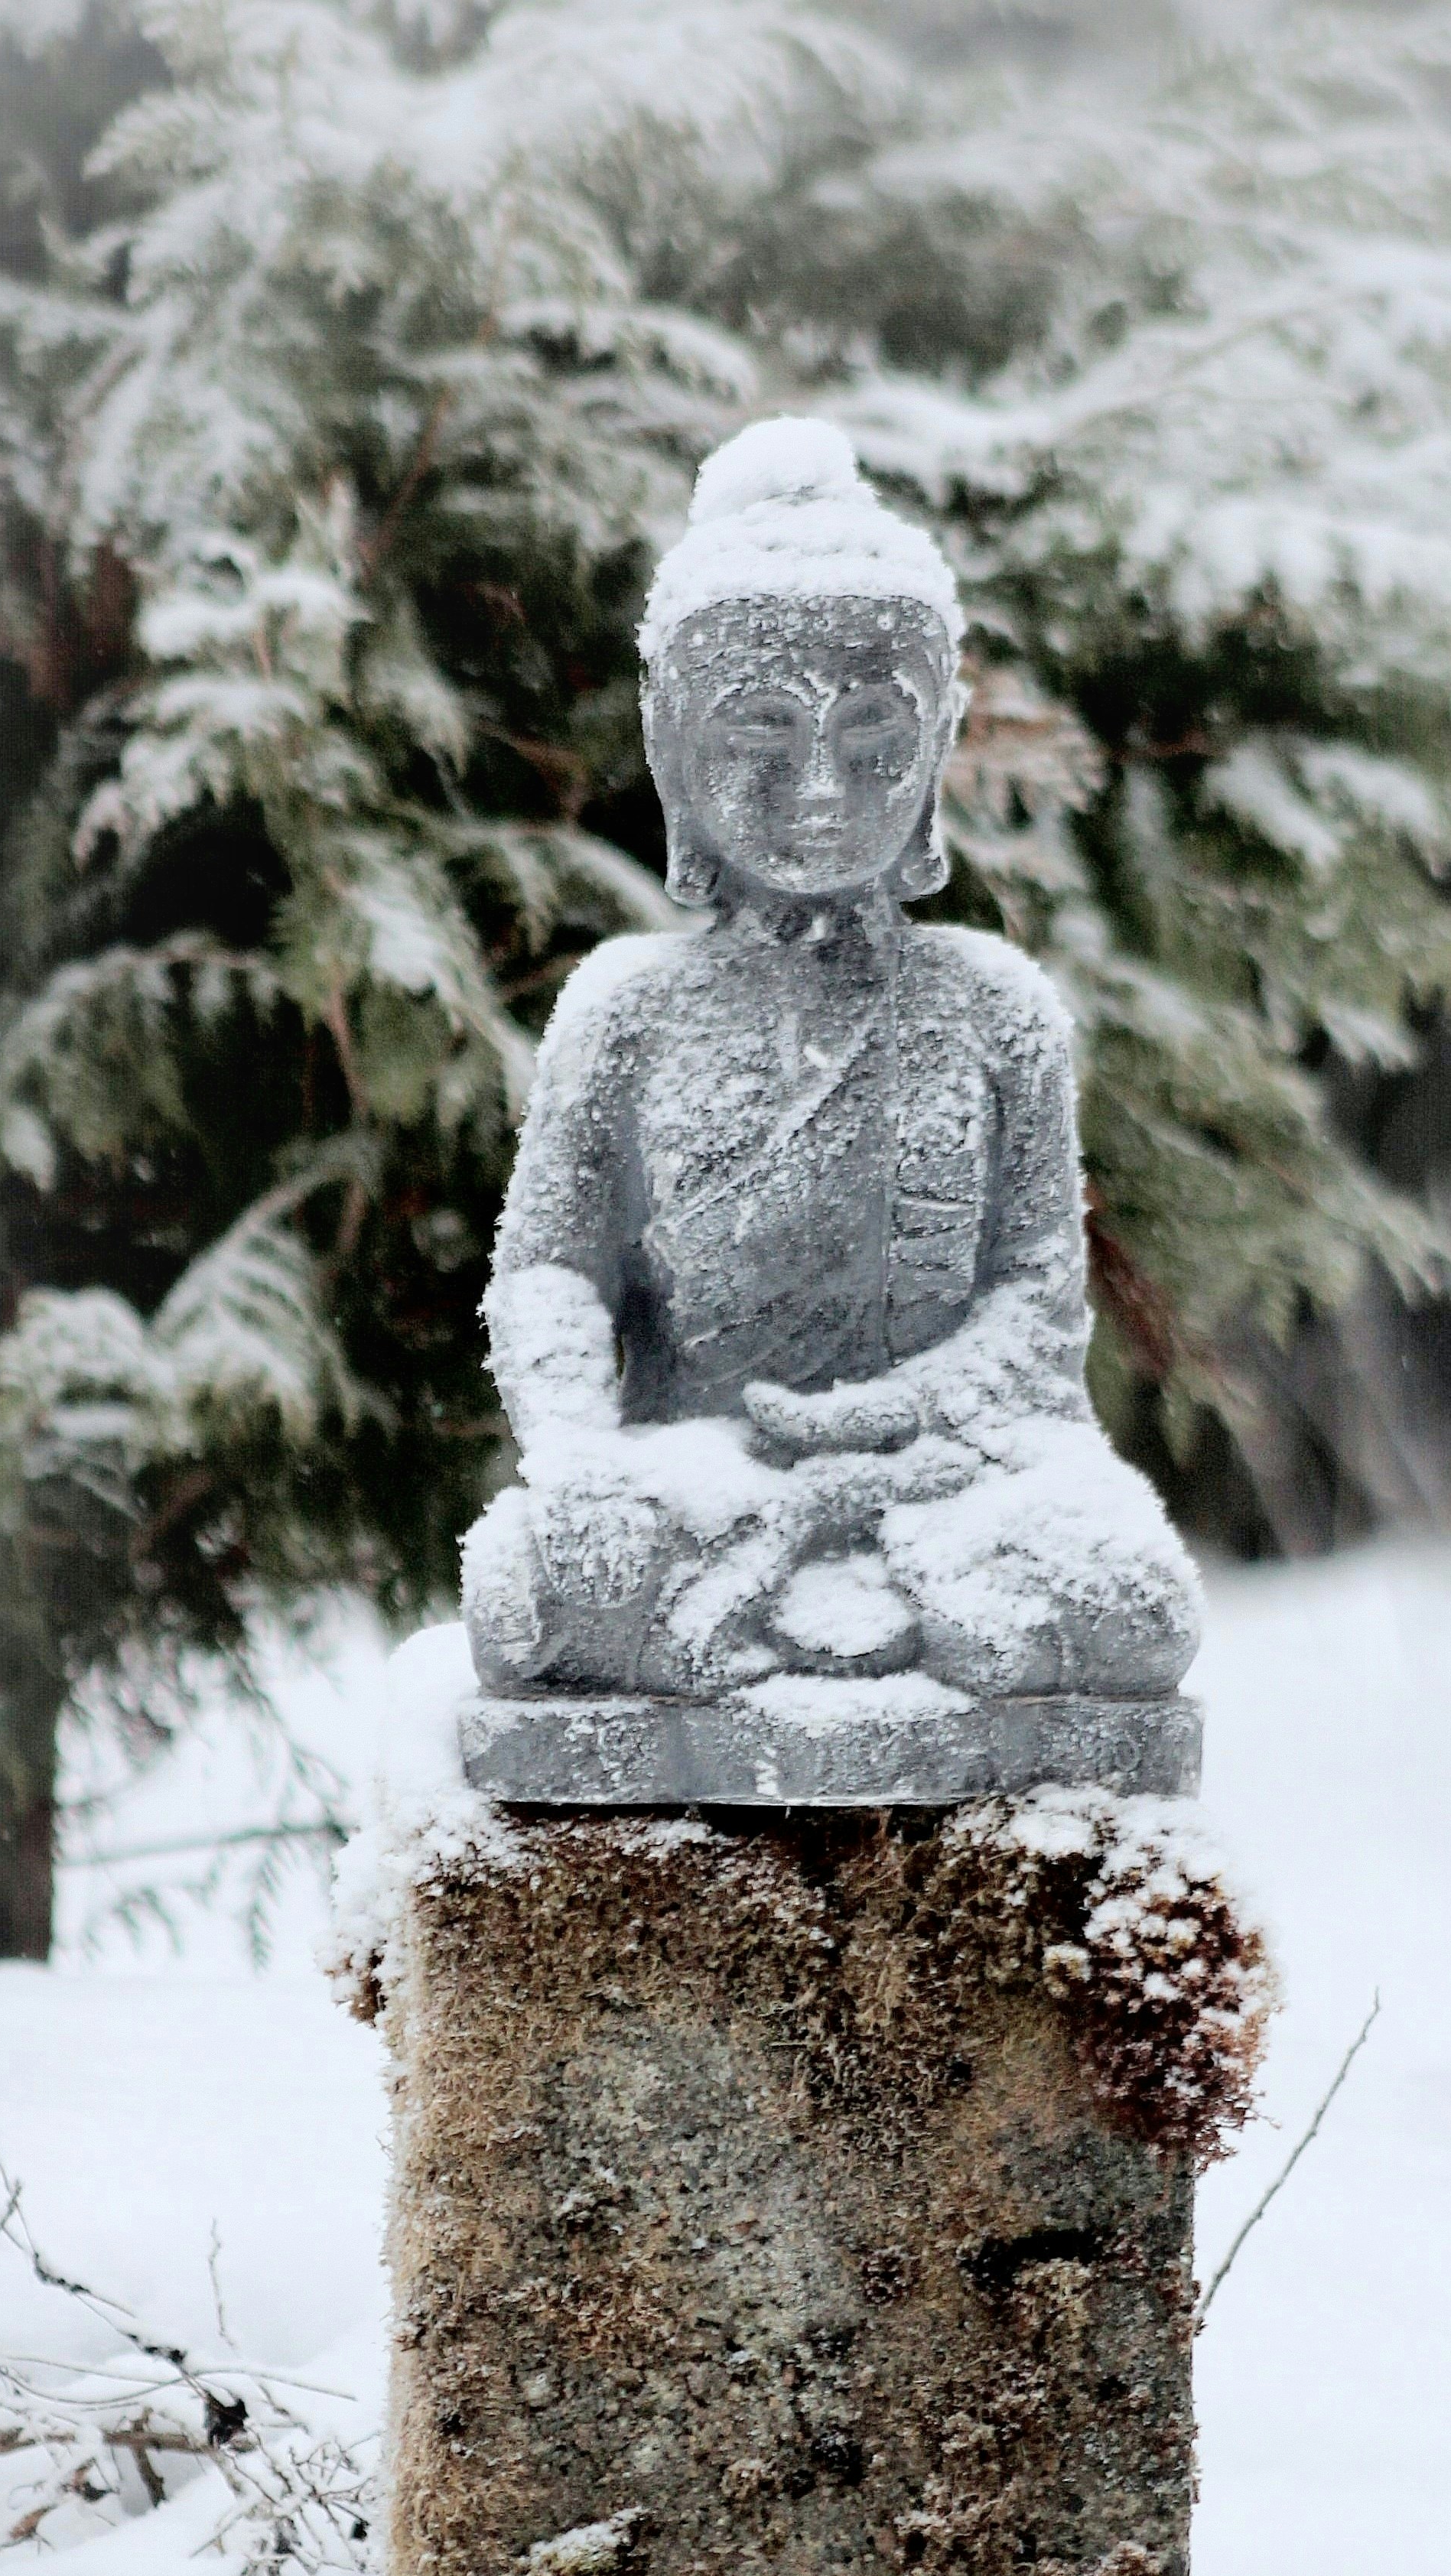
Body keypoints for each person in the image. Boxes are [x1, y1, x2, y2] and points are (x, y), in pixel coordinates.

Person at [462, 417, 1200, 1709]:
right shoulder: (626, 1010)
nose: (818, 790)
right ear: (673, 752)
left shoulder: (994, 1006)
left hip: (946, 1478)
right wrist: (578, 1458)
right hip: (703, 1466)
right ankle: (839, 1618)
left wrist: (876, 1433)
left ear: (935, 751)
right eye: (758, 738)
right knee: (538, 1586)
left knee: (1135, 1598)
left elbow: (1034, 1299)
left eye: (870, 746)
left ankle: (772, 1623)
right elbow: (546, 1278)